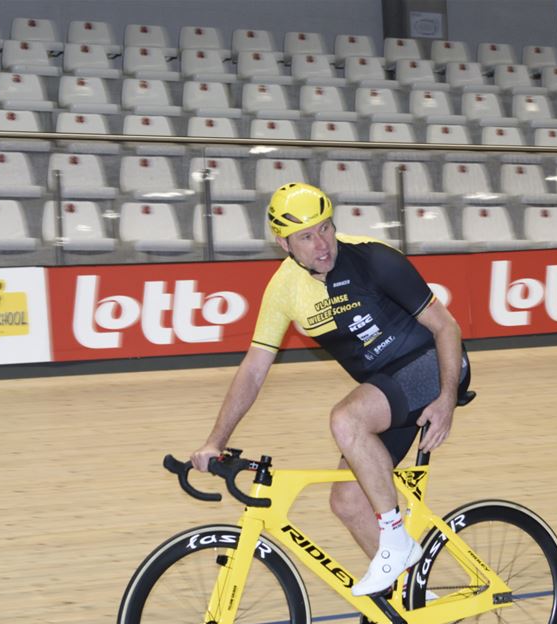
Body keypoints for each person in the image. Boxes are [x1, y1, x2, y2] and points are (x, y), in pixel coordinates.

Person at [190, 183, 471, 597]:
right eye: (306, 237)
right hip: (386, 388)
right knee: (348, 502)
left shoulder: (374, 258)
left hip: (433, 365)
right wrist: (216, 440)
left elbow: (447, 327)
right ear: (283, 243)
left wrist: (446, 399)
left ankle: (395, 538)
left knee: (346, 419)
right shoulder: (284, 290)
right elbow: (254, 369)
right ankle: (412, 602)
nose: (322, 244)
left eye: (325, 228)